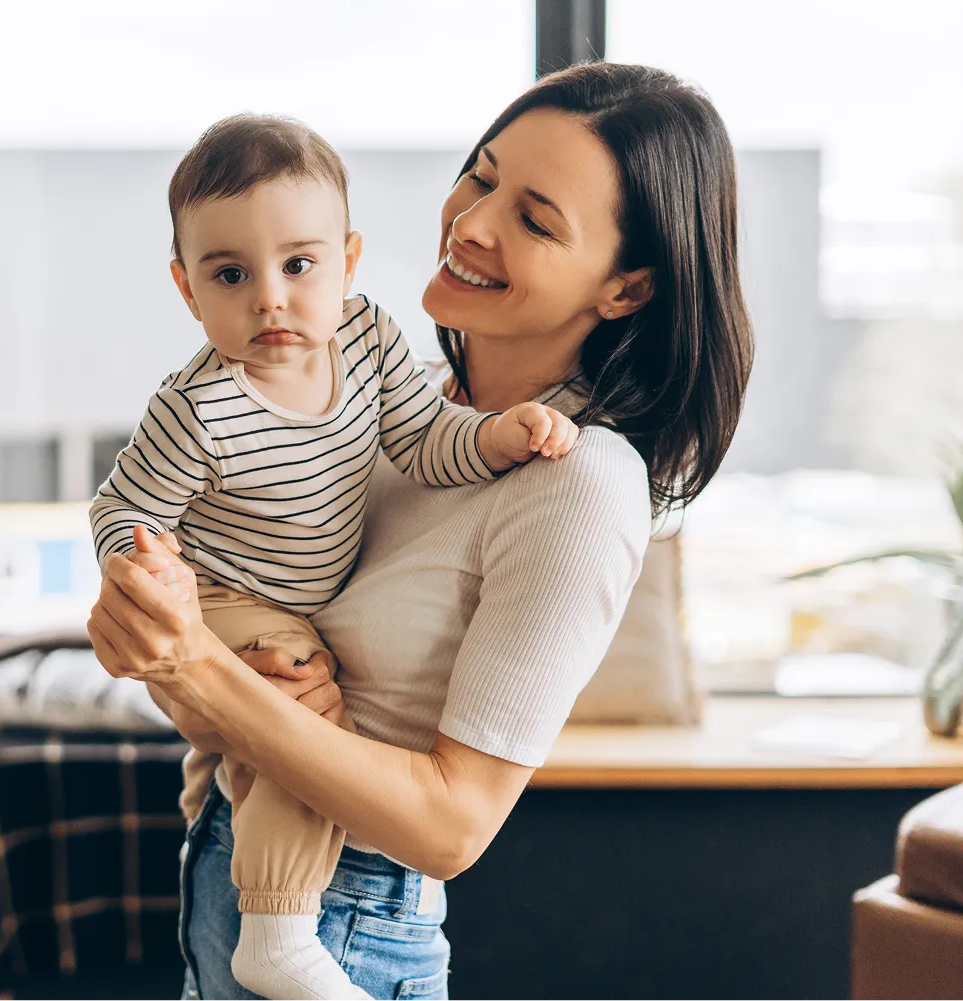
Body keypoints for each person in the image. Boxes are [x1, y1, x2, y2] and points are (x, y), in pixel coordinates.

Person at [88, 61, 754, 1001]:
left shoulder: (578, 482)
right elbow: (219, 701)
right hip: (223, 868)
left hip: (340, 924)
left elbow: (453, 828)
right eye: (480, 177)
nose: (471, 224)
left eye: (533, 217)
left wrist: (198, 665)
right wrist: (175, 648)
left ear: (627, 290)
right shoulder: (389, 413)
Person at [89, 114, 577, 1001]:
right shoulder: (197, 406)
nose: (269, 297)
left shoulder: (367, 341)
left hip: (305, 611)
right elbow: (124, 504)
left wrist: (499, 437)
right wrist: (146, 574)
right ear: (186, 289)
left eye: (298, 265)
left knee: (285, 709)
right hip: (230, 591)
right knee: (301, 689)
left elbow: (428, 439)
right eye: (230, 274)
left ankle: (254, 903)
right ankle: (276, 927)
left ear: (348, 261)